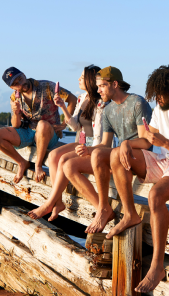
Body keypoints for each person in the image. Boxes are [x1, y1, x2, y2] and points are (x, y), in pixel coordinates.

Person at [105, 65, 169, 293]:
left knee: (155, 196)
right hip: (164, 160)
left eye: (161, 94)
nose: (158, 99)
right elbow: (146, 140)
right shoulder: (161, 109)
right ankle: (130, 213)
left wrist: (167, 144)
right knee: (116, 155)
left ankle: (157, 265)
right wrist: (127, 143)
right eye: (155, 94)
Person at [62, 66, 153, 234]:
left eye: (102, 86)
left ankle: (128, 214)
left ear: (115, 84)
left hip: (141, 156)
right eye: (98, 86)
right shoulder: (109, 109)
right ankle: (103, 208)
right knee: (96, 153)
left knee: (114, 152)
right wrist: (89, 149)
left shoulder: (137, 103)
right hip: (119, 155)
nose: (98, 90)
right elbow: (105, 143)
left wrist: (126, 145)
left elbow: (146, 142)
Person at [28, 64, 109, 221]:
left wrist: (91, 149)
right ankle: (58, 202)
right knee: (52, 156)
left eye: (83, 77)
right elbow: (75, 126)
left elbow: (102, 136)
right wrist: (63, 107)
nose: (79, 79)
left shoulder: (101, 103)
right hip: (81, 142)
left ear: (91, 80)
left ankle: (49, 203)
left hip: (94, 146)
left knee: (65, 160)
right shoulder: (82, 98)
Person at [0, 67, 77, 184]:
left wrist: (63, 124)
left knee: (42, 125)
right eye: (15, 84)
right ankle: (21, 162)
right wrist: (16, 113)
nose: (20, 84)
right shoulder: (14, 97)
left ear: (24, 75)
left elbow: (72, 99)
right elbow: (16, 125)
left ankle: (38, 165)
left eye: (20, 79)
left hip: (49, 134)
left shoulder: (47, 86)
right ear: (12, 87)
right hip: (28, 132)